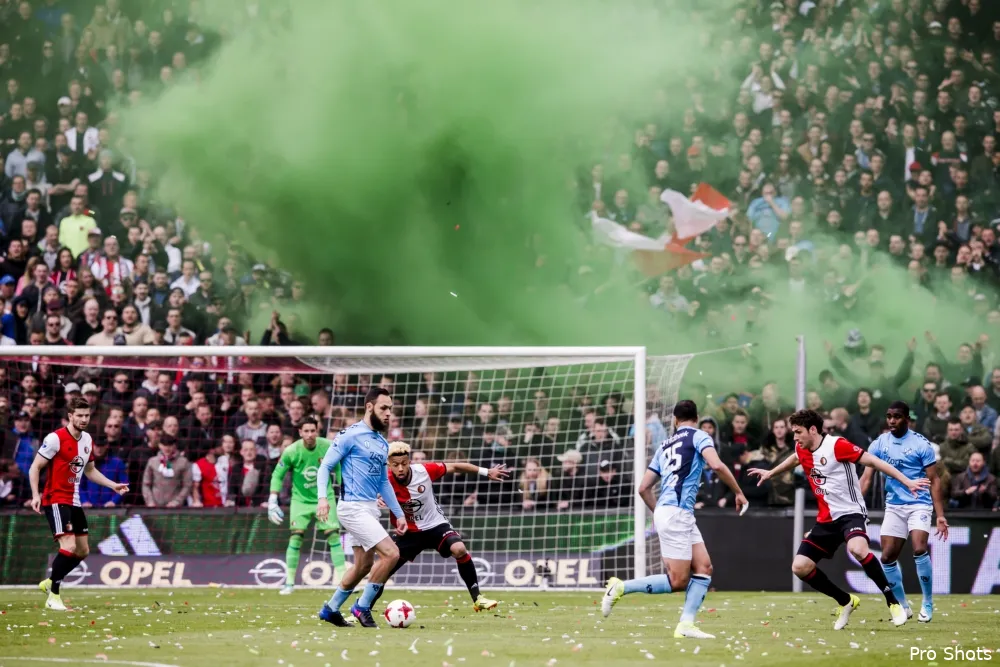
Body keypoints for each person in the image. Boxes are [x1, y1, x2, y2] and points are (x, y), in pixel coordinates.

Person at [749, 409, 929, 630]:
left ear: (812, 430)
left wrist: (907, 481)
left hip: (851, 513)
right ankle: (846, 601)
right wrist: (770, 473)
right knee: (800, 567)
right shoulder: (801, 447)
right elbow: (795, 458)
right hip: (826, 520)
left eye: (798, 432)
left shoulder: (837, 445)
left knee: (858, 550)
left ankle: (893, 602)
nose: (794, 437)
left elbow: (874, 461)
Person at [601, 400, 748, 640]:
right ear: (697, 418)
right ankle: (620, 587)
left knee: (704, 567)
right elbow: (717, 465)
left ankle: (686, 625)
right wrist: (739, 492)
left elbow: (643, 488)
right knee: (678, 580)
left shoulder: (665, 445)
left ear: (674, 420)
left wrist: (660, 513)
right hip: (676, 513)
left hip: (673, 512)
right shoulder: (699, 436)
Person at [368, 441, 507, 612]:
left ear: (409, 461)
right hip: (408, 532)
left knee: (459, 549)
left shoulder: (425, 471)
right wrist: (375, 499)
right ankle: (362, 609)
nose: (401, 469)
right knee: (383, 570)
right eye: (396, 465)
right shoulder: (384, 480)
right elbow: (365, 492)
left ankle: (478, 598)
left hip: (435, 525)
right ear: (389, 465)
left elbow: (456, 466)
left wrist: (487, 472)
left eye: (404, 463)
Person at [315, 387, 407, 629]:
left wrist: (398, 513)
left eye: (391, 409)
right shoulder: (350, 435)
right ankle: (362, 606)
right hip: (352, 508)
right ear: (369, 407)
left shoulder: (381, 442)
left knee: (363, 566)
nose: (389, 414)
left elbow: (383, 481)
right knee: (392, 553)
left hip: (369, 509)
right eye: (383, 408)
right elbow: (325, 467)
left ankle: (331, 609)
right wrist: (322, 498)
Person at [29, 398, 129, 611]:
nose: (84, 419)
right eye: (80, 415)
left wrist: (113, 486)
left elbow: (90, 470)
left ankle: (50, 581)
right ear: (70, 416)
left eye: (87, 415)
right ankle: (53, 596)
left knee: (82, 551)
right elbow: (35, 467)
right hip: (55, 499)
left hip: (74, 501)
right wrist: (35, 494)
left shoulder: (87, 440)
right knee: (69, 546)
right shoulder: (55, 438)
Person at [859, 401, 948, 623]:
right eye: (889, 416)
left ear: (907, 419)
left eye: (896, 417)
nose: (891, 420)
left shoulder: (921, 445)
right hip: (894, 506)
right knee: (887, 556)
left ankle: (927, 602)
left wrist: (941, 516)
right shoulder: (879, 444)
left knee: (919, 548)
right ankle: (904, 605)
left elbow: (934, 480)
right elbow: (866, 478)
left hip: (919, 503)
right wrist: (856, 508)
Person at [267, 417, 347, 595]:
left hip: (324, 499)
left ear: (317, 431)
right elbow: (278, 474)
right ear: (300, 432)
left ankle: (344, 582)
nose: (310, 434)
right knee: (296, 538)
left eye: (313, 430)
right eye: (306, 431)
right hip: (300, 501)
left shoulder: (327, 446)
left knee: (334, 536)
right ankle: (289, 583)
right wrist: (273, 499)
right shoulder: (291, 451)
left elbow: (340, 468)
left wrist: (345, 492)